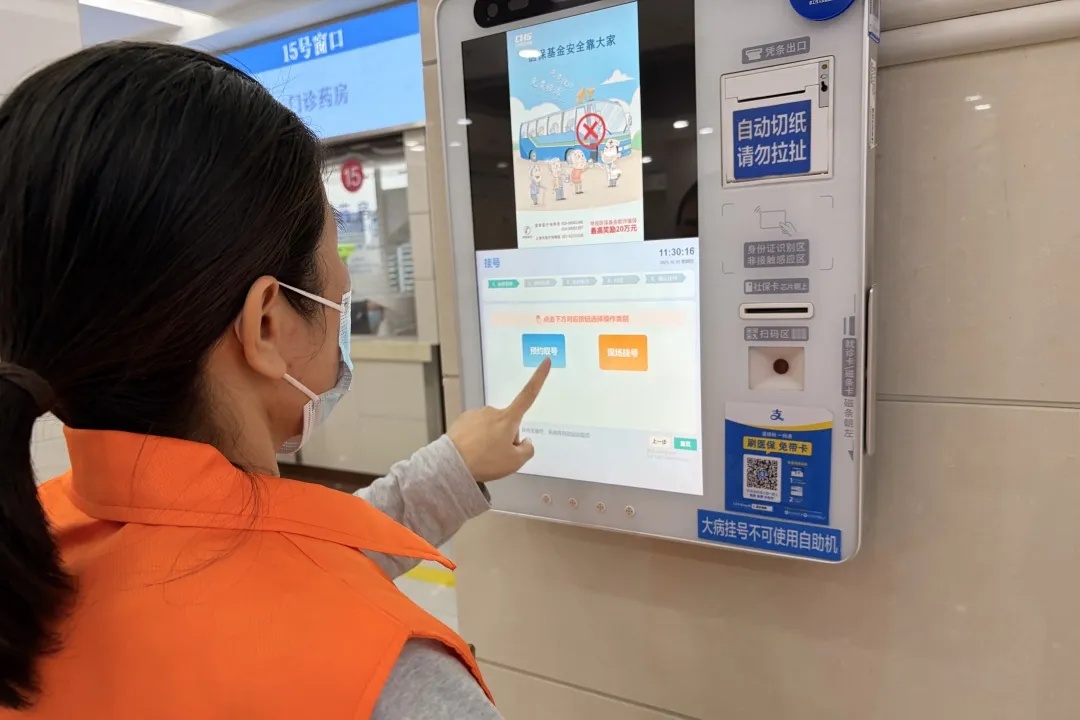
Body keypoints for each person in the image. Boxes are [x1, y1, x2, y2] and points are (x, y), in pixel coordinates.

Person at [0, 43, 550, 719]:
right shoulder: (386, 679)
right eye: (332, 272)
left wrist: (451, 468)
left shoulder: (29, 557)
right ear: (266, 324)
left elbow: (267, 559)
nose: (341, 295)